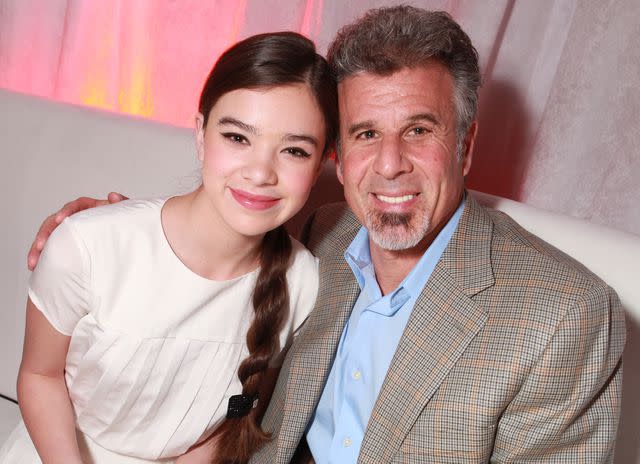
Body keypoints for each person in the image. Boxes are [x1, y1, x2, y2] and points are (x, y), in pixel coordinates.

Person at [26, 6, 626, 464]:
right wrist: (111, 231)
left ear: (465, 147)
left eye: (418, 130)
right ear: (337, 155)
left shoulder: (564, 313)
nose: (389, 165)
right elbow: (210, 244)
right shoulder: (323, 235)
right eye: (365, 134)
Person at [2, 31, 338, 464]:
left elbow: (230, 421)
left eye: (294, 150)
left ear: (323, 162)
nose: (260, 172)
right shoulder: (87, 245)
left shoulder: (303, 283)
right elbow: (39, 375)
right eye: (237, 137)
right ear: (201, 135)